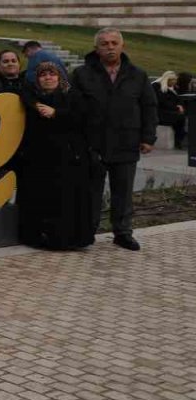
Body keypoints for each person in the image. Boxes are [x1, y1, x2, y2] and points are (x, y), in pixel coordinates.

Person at [69, 28, 157, 251]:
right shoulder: (81, 74)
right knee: (91, 193)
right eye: (104, 43)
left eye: (114, 43)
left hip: (126, 142)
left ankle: (123, 233)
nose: (110, 47)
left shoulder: (138, 74)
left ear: (122, 46)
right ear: (96, 48)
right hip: (93, 144)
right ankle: (86, 233)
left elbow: (149, 107)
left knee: (123, 192)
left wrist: (148, 137)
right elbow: (73, 110)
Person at [17, 60, 96, 250]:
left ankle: (66, 240)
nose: (48, 78)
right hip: (39, 159)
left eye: (52, 74)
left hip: (68, 159)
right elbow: (24, 98)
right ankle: (39, 238)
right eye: (43, 75)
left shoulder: (72, 96)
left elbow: (82, 119)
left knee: (66, 202)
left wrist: (56, 113)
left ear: (60, 77)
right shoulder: (32, 98)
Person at [153, 71, 186, 150]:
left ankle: (179, 139)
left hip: (170, 111)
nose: (175, 82)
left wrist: (180, 106)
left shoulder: (174, 88)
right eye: (173, 80)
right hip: (160, 112)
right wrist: (177, 107)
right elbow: (161, 102)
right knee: (180, 118)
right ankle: (178, 140)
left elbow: (179, 100)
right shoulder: (157, 87)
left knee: (181, 117)